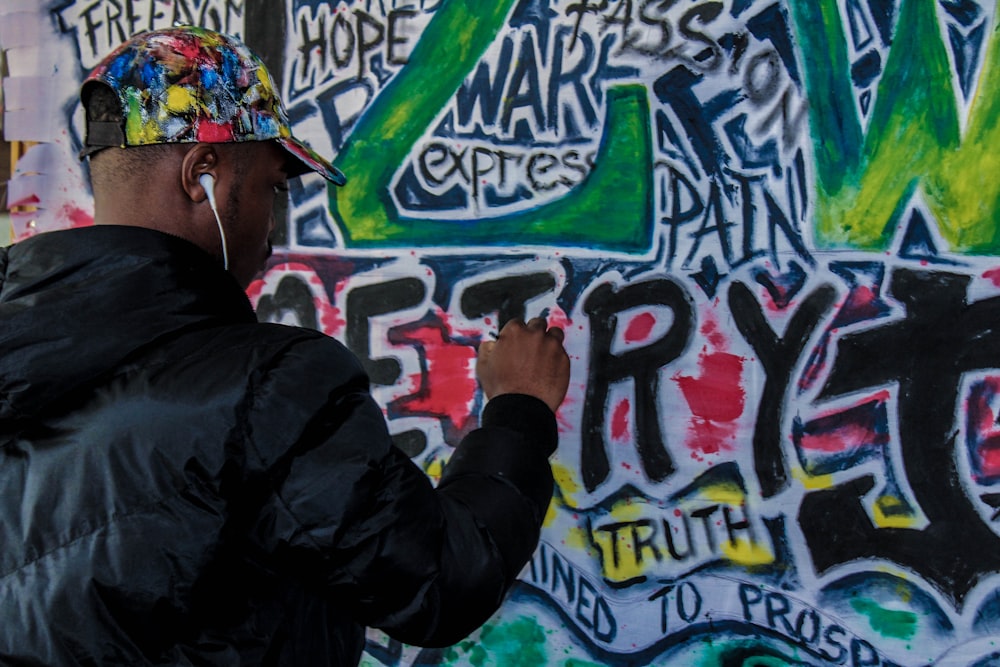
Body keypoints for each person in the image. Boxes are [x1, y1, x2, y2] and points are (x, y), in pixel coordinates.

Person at [0, 26, 570, 665]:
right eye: (273, 186)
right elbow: (442, 580)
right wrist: (520, 410)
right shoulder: (267, 386)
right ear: (202, 176)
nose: (274, 227)